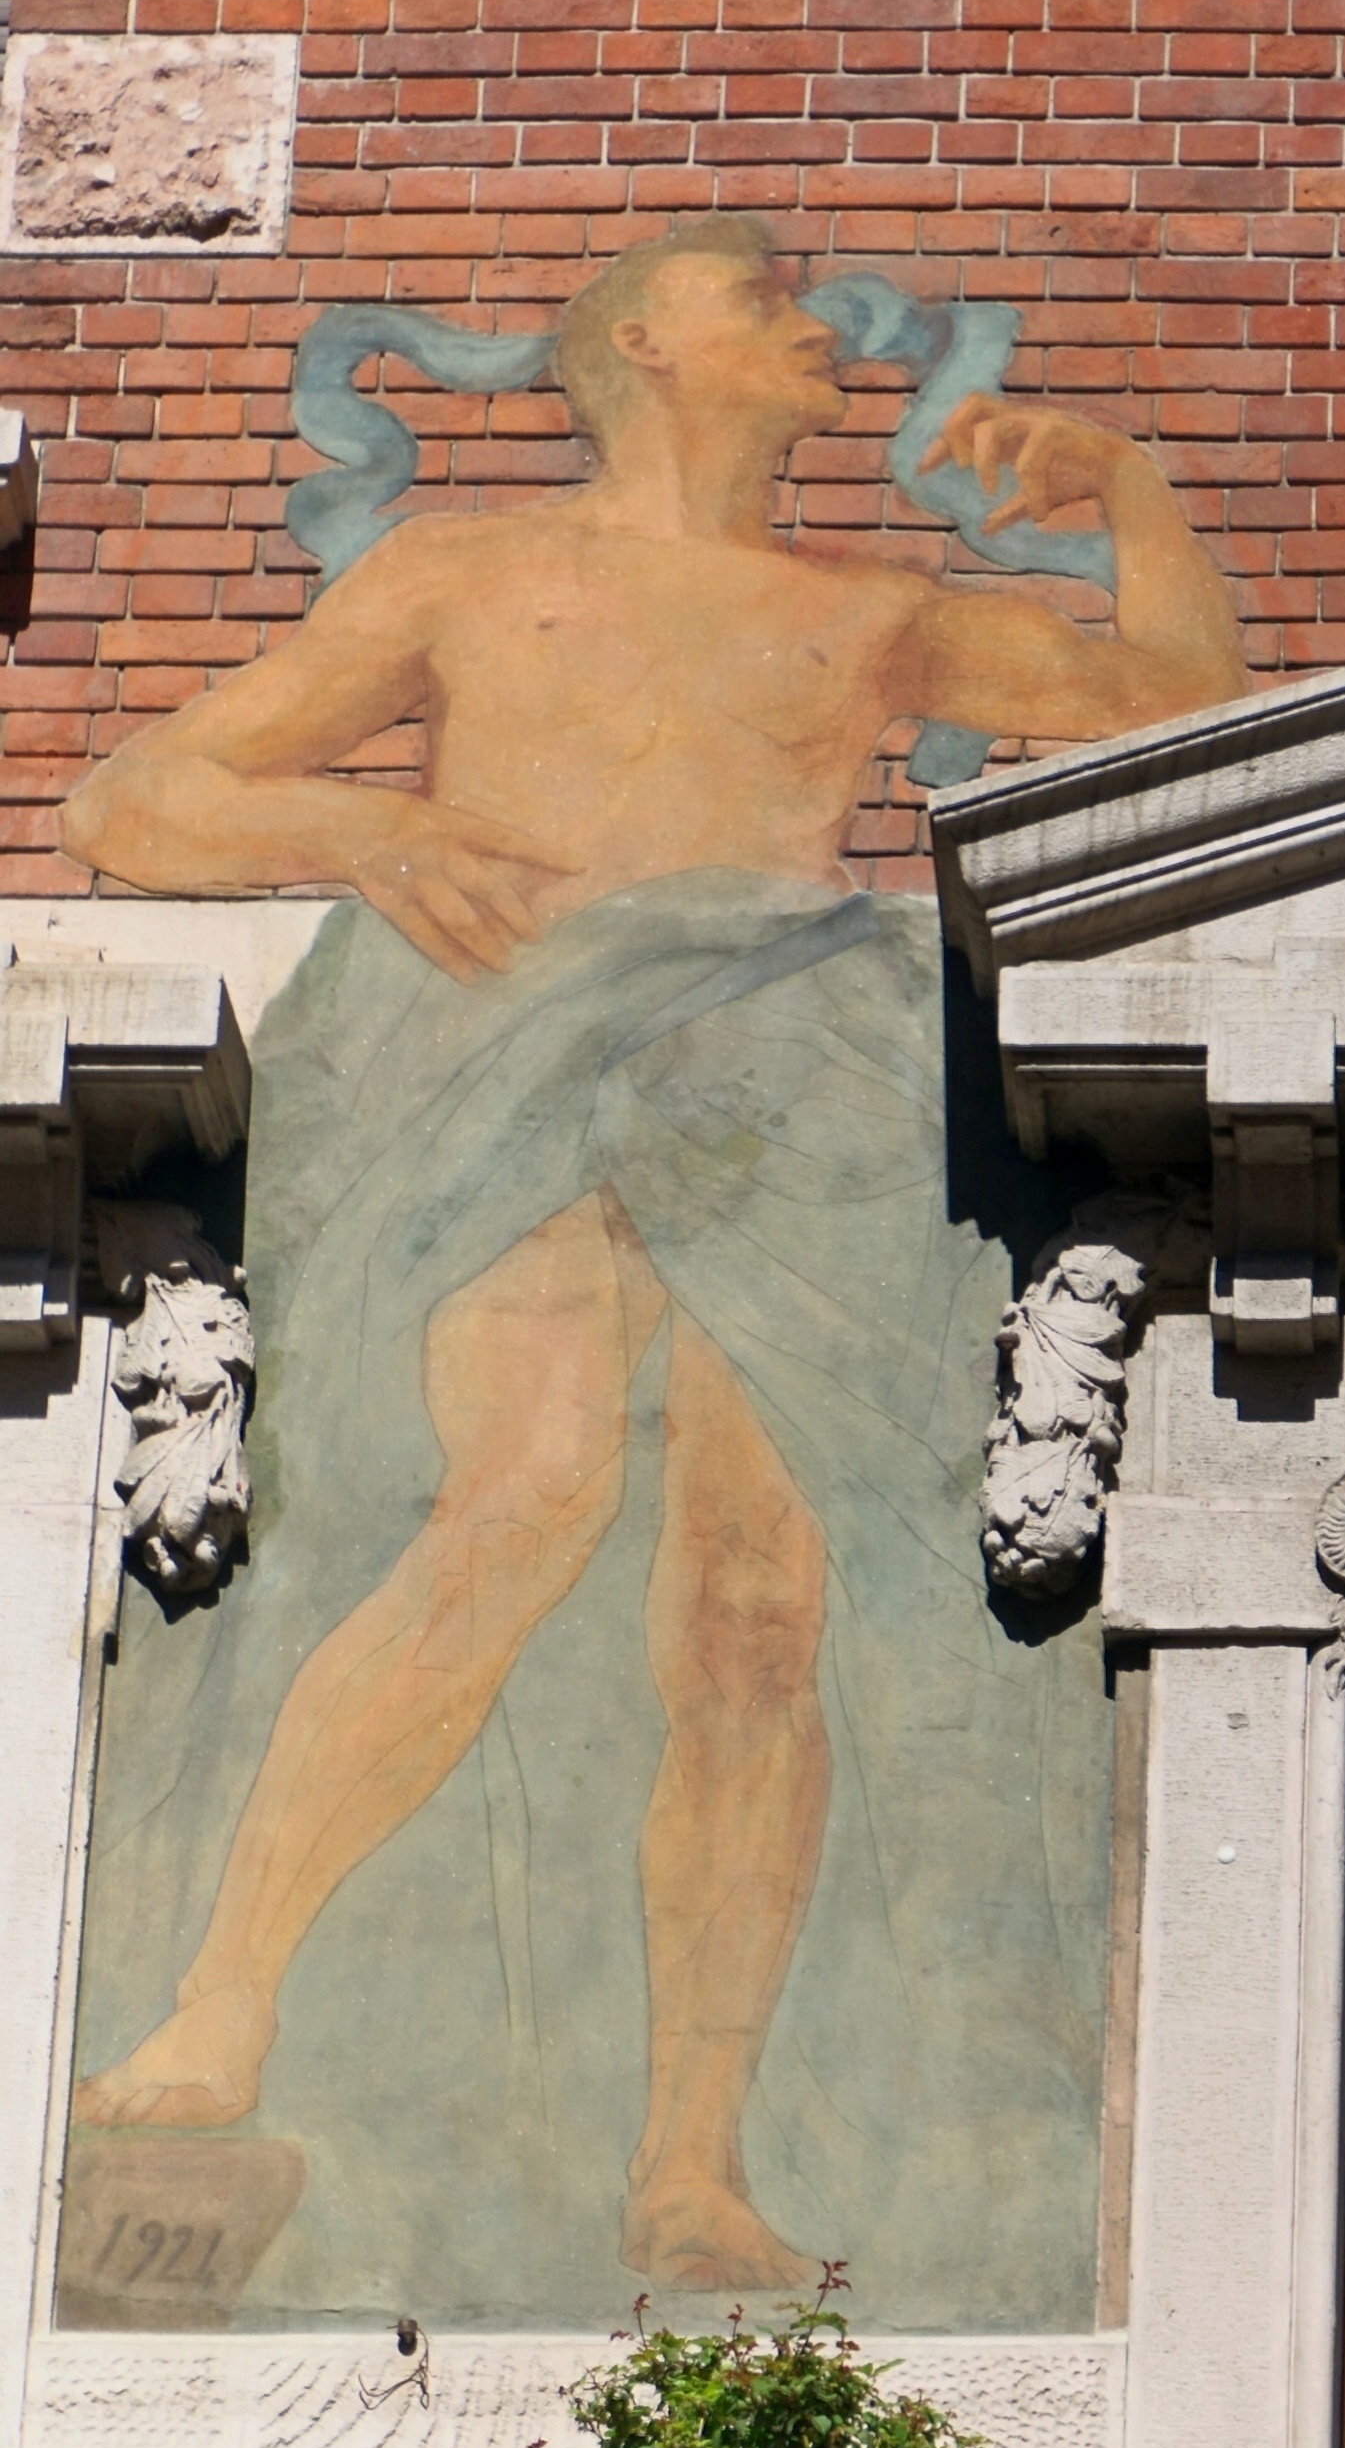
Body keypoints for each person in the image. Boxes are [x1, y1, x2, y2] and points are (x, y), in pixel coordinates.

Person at [57, 216, 1247, 2292]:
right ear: (637, 348)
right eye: (759, 296)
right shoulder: (461, 576)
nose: (819, 326)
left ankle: (686, 2164)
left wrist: (1132, 496)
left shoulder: (861, 612)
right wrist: (368, 831)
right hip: (512, 1071)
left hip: (788, 1092)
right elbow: (142, 798)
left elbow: (1178, 706)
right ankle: (224, 1993)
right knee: (519, 1502)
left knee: (749, 1616)